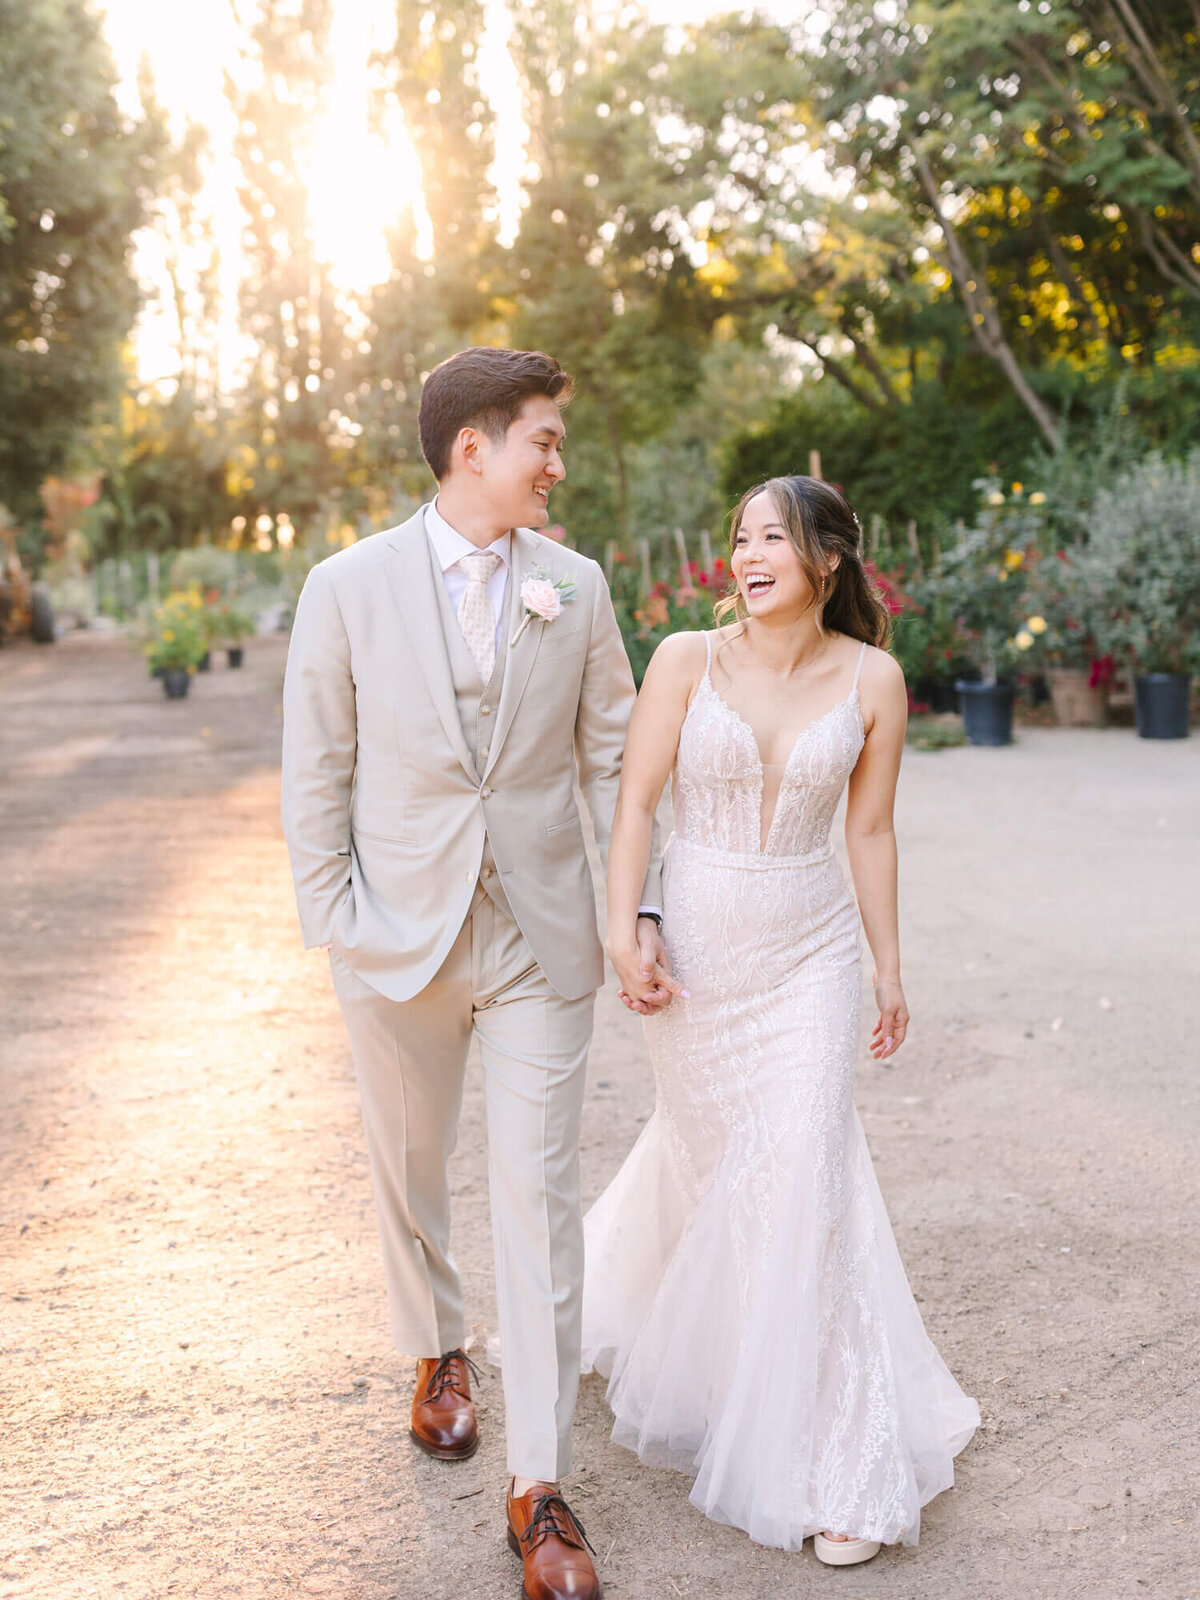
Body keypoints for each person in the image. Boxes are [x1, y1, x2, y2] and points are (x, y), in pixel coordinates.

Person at [280, 347, 677, 1600]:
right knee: (408, 1167)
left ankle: (538, 1483)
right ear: (475, 449)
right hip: (396, 932)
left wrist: (635, 908)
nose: (559, 463)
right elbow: (316, 768)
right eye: (545, 441)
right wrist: (334, 918)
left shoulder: (578, 584)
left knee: (538, 1191)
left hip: (539, 934)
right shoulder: (345, 587)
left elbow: (619, 762)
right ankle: (439, 1347)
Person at [582, 475, 979, 1564]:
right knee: (725, 1172)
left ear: (828, 560)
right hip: (701, 962)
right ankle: (697, 1349)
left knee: (803, 1177)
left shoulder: (875, 679)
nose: (748, 555)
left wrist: (889, 968)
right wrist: (628, 927)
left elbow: (872, 834)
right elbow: (636, 803)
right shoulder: (681, 661)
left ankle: (838, 1464)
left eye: (774, 537)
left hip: (811, 958)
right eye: (740, 537)